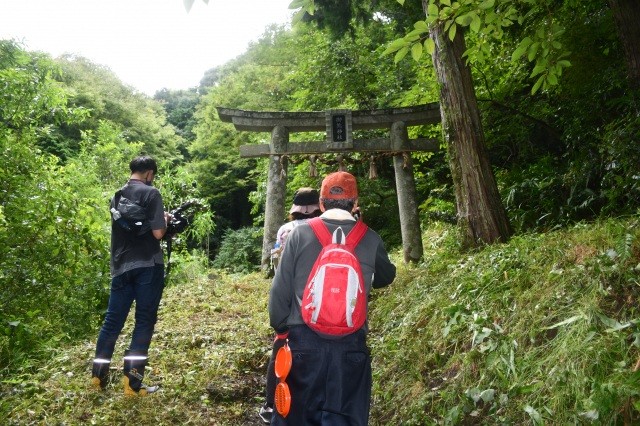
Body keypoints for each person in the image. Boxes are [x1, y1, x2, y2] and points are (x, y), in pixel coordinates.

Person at [268, 171, 396, 425]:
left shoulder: (299, 235)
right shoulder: (369, 238)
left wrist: (281, 329)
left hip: (303, 341)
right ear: (356, 203)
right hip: (351, 344)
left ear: (322, 203)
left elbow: (279, 291)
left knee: (296, 417)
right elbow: (386, 276)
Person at [90, 155, 171, 396]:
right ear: (149, 173)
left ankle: (97, 378)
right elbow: (157, 234)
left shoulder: (116, 196)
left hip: (120, 268)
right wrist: (165, 221)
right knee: (144, 322)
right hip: (148, 266)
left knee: (112, 323)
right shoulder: (151, 193)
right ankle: (132, 385)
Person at [260, 187, 321, 423]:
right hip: (318, 299)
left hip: (289, 299)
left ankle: (271, 403)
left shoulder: (286, 230)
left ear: (295, 208)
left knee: (280, 352)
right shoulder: (324, 228)